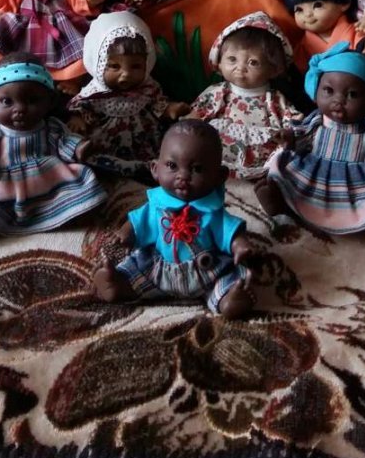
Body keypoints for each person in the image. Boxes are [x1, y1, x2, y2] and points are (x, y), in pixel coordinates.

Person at [92, 119, 257, 317]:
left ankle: (229, 300)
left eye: (197, 169)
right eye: (172, 165)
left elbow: (230, 232)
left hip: (207, 273)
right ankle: (119, 284)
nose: (183, 176)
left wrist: (239, 245)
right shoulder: (156, 207)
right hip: (159, 271)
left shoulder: (213, 212)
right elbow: (137, 224)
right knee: (137, 267)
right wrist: (125, 233)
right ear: (155, 168)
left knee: (230, 277)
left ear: (219, 176)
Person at [0, 60, 107, 240]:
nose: (20, 109)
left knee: (83, 186)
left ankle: (75, 211)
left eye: (32, 100)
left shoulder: (51, 126)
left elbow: (64, 141)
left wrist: (79, 147)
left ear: (51, 101)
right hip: (5, 182)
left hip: (47, 177)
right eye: (7, 101)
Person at [257, 42, 365, 236]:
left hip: (353, 183)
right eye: (329, 91)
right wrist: (288, 135)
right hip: (313, 170)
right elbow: (302, 133)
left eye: (352, 95)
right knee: (286, 177)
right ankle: (278, 202)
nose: (338, 101)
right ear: (316, 91)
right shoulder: (318, 121)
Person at [68, 9, 189, 174]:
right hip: (106, 147)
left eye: (136, 66)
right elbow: (81, 107)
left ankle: (146, 171)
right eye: (115, 66)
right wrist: (78, 119)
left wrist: (169, 109)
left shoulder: (148, 88)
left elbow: (157, 103)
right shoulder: (94, 93)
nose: (126, 74)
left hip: (145, 145)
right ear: (97, 62)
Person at [188, 12, 301, 178]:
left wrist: (287, 133)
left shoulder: (275, 99)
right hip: (217, 158)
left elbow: (293, 122)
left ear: (274, 69)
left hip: (261, 164)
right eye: (232, 59)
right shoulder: (218, 92)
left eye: (253, 62)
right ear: (219, 62)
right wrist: (190, 122)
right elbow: (197, 115)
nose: (240, 67)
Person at [283, 0, 358, 69]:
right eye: (299, 9)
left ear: (344, 2)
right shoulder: (302, 48)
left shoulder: (356, 32)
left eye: (317, 5)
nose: (307, 14)